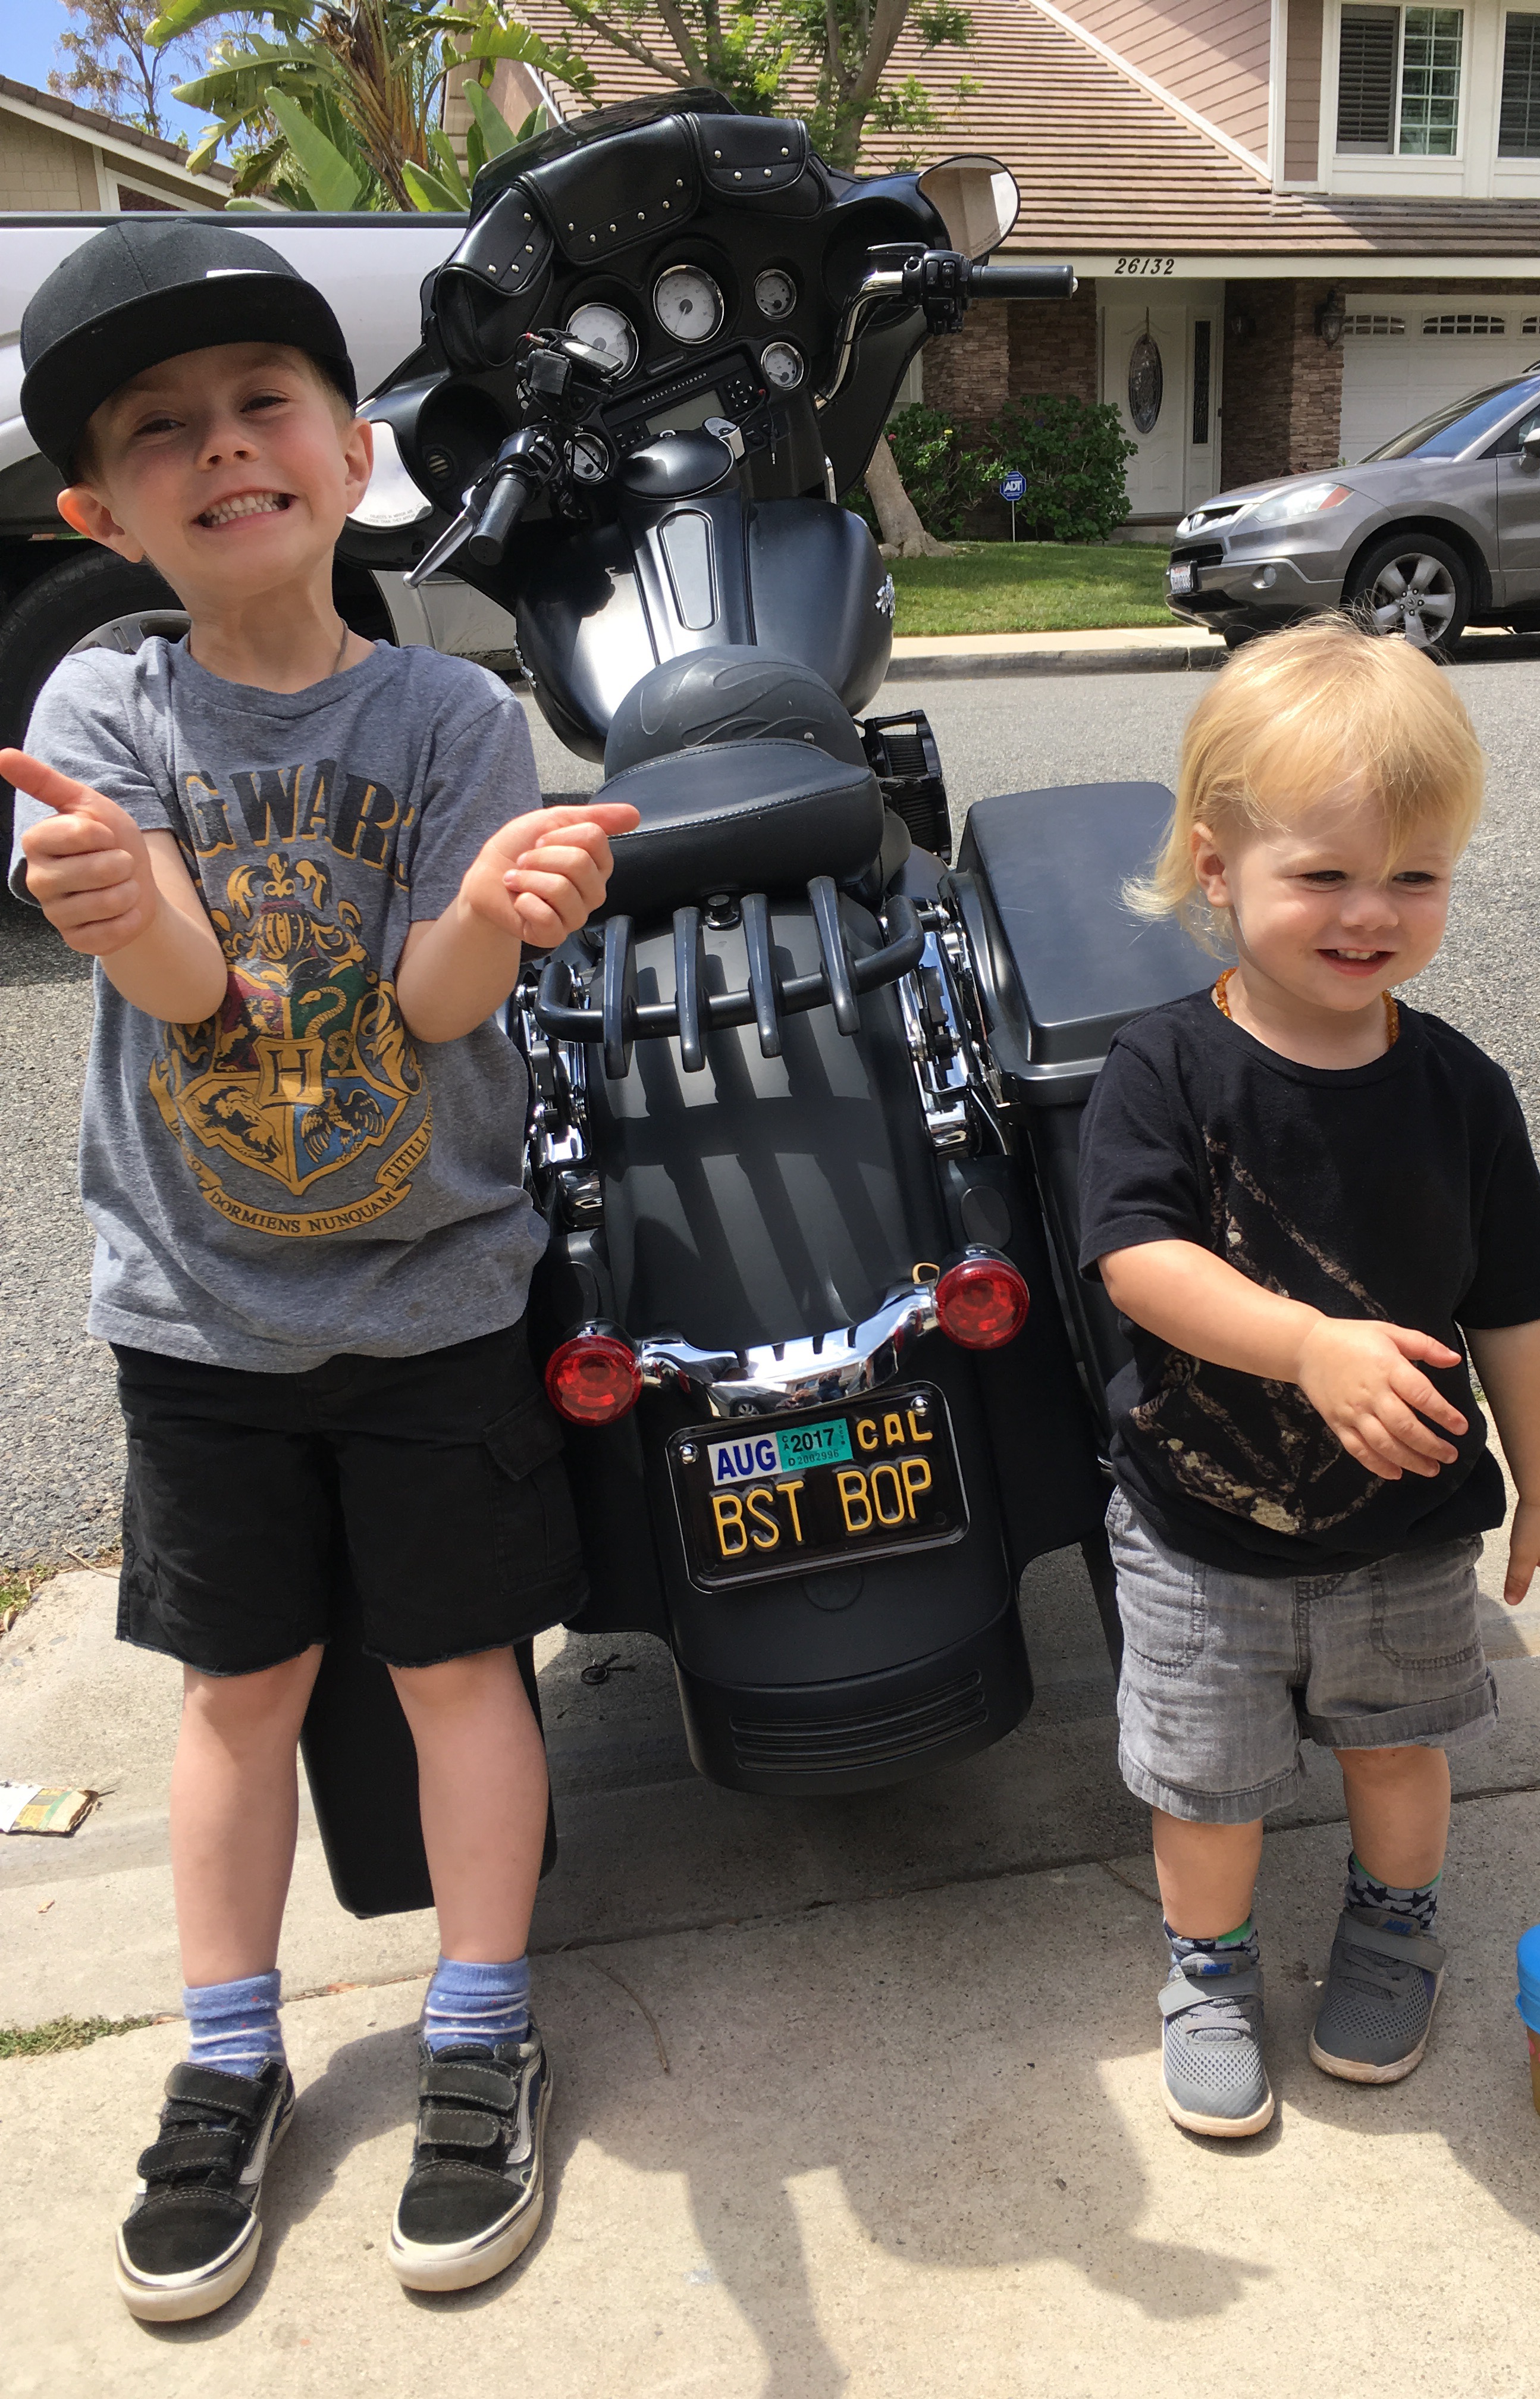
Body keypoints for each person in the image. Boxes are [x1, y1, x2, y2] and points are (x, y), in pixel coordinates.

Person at [4, 218, 637, 2315]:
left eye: (263, 402)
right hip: (200, 1315)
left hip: (436, 1295)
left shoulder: (451, 712)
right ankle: (225, 2053)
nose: (222, 446)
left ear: (354, 455)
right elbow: (194, 988)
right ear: (102, 516)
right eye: (158, 431)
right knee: (237, 1693)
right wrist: (115, 903)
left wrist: (507, 913)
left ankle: (481, 2022)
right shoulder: (101, 701)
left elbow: (436, 1007)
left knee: (462, 1672)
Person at [1077, 615, 1540, 2140]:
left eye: (1416, 877)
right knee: (1206, 1790)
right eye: (1324, 874)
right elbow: (1139, 1264)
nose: (1370, 913)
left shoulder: (1461, 1092)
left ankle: (1392, 1928)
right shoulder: (1163, 1070)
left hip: (1406, 1526)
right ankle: (1208, 1970)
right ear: (1217, 866)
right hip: (1199, 1525)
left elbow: (1519, 1308)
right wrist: (1308, 1344)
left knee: (1398, 1752)